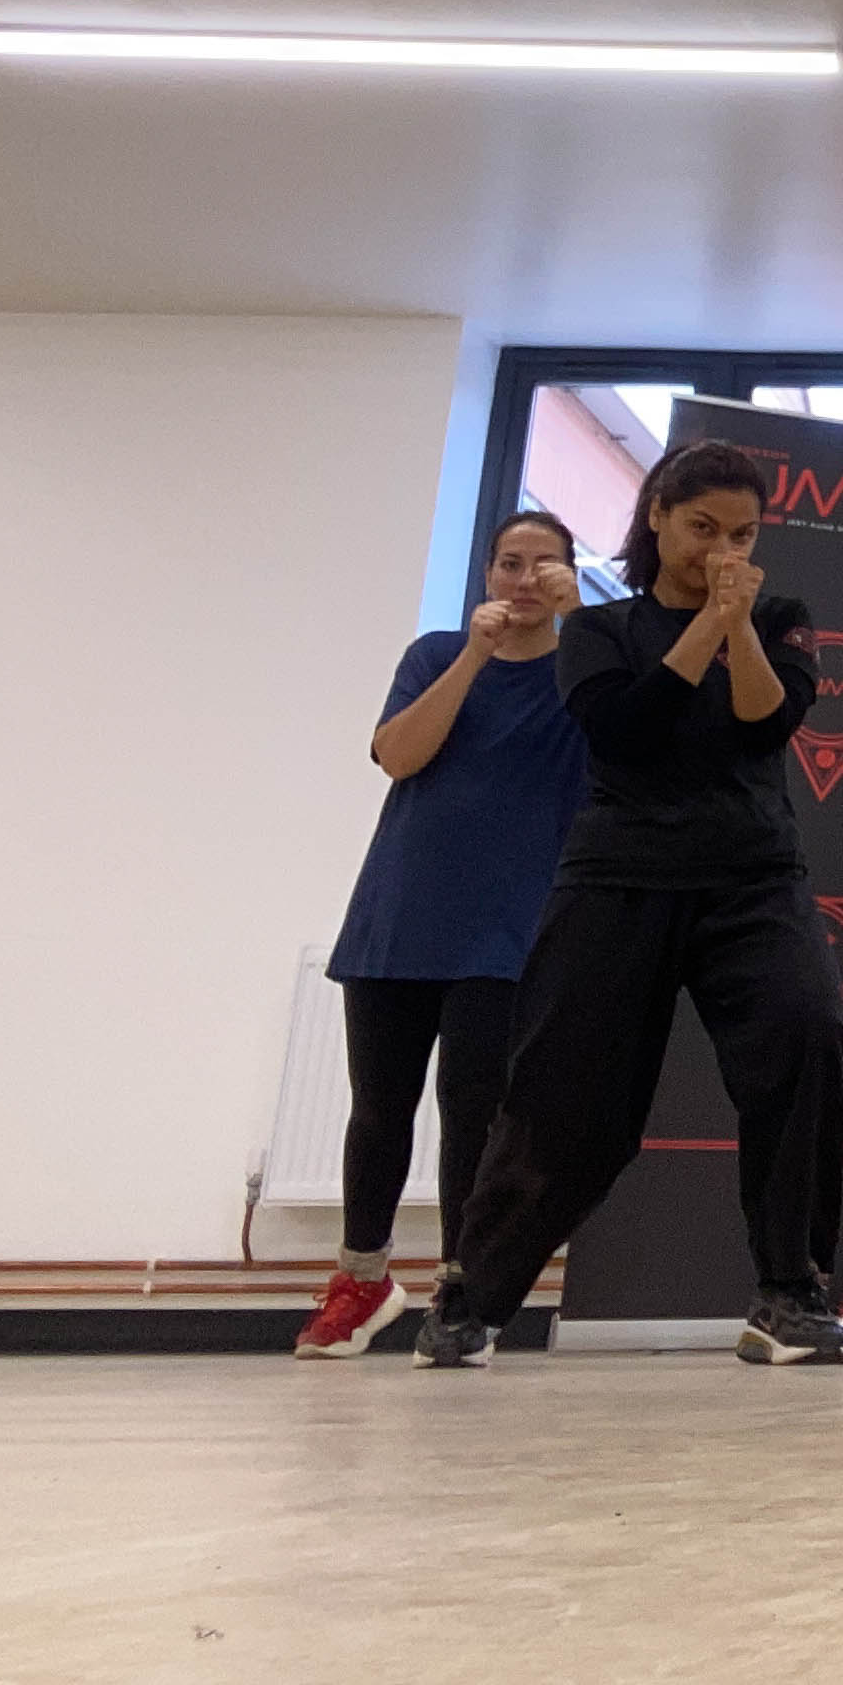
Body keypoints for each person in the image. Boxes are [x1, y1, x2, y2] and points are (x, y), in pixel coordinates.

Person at [413, 440, 843, 1370]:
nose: (721, 551)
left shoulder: (780, 618)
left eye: (742, 534)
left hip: (752, 877)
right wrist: (705, 625)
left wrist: (736, 624)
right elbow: (626, 728)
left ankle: (789, 1289)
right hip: (619, 877)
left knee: (806, 1038)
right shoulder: (599, 629)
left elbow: (768, 720)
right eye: (703, 529)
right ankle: (472, 1298)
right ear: (657, 517)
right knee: (566, 1094)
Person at [295, 511, 591, 1357]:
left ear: (570, 574)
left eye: (544, 565)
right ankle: (362, 1279)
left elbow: (627, 742)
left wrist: (580, 620)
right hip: (400, 915)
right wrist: (472, 658)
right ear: (487, 574)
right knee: (378, 1110)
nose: (524, 580)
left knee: (476, 1113)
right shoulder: (433, 656)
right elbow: (399, 755)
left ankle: (463, 1290)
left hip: (508, 928)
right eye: (509, 563)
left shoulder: (583, 672)